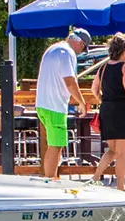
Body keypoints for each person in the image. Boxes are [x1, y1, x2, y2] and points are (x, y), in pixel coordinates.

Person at [33, 28, 91, 180]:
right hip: (55, 106)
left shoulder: (52, 48)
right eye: (83, 48)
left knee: (52, 144)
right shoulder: (67, 53)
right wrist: (82, 102)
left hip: (42, 104)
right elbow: (70, 81)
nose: (81, 52)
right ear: (80, 43)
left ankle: (50, 177)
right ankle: (51, 180)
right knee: (56, 145)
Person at [91, 32, 125, 192]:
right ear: (122, 50)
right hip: (121, 110)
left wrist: (104, 100)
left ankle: (96, 177)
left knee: (112, 150)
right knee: (121, 153)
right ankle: (121, 186)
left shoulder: (103, 68)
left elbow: (94, 89)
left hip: (106, 109)